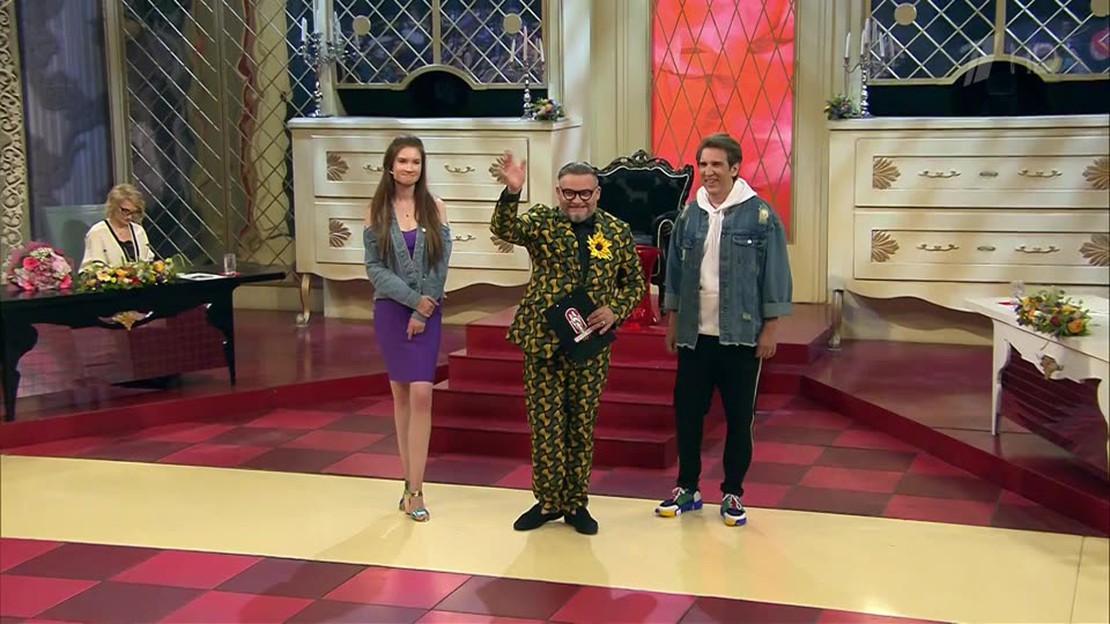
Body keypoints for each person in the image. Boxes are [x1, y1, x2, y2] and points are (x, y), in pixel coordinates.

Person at [491, 153, 645, 535]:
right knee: (545, 428)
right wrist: (512, 192)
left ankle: (576, 503)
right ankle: (548, 502)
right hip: (543, 341)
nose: (577, 201)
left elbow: (634, 283)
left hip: (590, 345)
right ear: (558, 192)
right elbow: (504, 229)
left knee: (580, 427)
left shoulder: (616, 230)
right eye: (569, 193)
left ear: (598, 193)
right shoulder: (542, 222)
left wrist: (615, 310)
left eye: (585, 193)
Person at [654, 133, 793, 527]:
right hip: (695, 335)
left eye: (717, 164)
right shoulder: (689, 215)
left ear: (735, 168)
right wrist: (673, 320)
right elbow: (674, 272)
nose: (709, 172)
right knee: (687, 415)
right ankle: (687, 487)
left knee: (738, 418)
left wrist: (771, 328)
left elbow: (776, 274)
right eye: (703, 164)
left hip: (742, 336)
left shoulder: (761, 216)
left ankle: (733, 492)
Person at [363, 135, 451, 523]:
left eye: (415, 162)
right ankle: (408, 484)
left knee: (421, 393)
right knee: (401, 396)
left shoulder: (435, 207)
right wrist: (413, 301)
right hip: (391, 311)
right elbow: (375, 269)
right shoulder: (376, 211)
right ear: (390, 165)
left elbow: (440, 263)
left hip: (428, 312)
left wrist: (423, 308)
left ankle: (417, 489)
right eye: (403, 161)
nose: (409, 168)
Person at [80, 183, 156, 270]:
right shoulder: (97, 233)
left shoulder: (138, 231)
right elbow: (91, 270)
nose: (130, 217)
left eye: (134, 212)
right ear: (113, 206)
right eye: (125, 211)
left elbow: (148, 261)